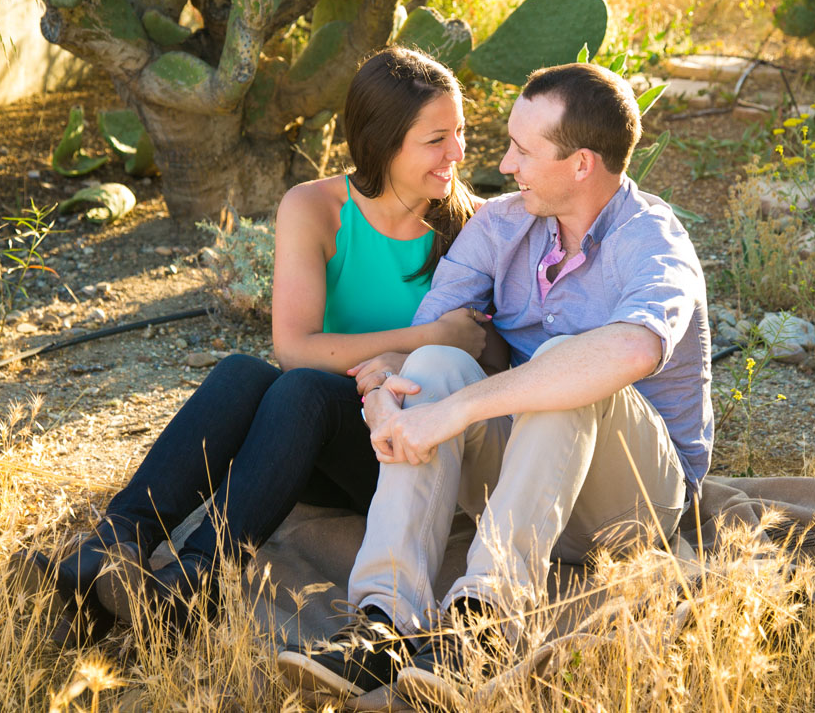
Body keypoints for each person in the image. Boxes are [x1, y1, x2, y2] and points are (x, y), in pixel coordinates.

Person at [8, 47, 497, 646]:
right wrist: (425, 336)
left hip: (401, 456)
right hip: (300, 440)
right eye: (436, 138)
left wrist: (422, 356)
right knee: (244, 373)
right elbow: (293, 346)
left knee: (304, 390)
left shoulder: (473, 228)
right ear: (381, 141)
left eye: (461, 132)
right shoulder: (316, 208)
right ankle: (117, 544)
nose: (459, 153)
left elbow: (486, 353)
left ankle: (197, 578)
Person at [278, 62, 713, 708]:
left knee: (569, 365)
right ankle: (384, 623)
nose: (503, 164)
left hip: (631, 503)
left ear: (582, 164)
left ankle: (488, 623)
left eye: (522, 150)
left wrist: (460, 411)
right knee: (431, 369)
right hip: (530, 479)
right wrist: (385, 394)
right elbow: (422, 341)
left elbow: (630, 348)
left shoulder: (651, 240)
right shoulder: (501, 225)